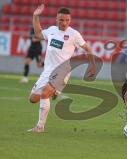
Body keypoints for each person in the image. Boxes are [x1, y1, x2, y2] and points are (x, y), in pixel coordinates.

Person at [28, 4, 96, 132]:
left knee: (44, 94)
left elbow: (88, 49)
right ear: (56, 19)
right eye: (61, 20)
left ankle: (40, 127)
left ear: (70, 20)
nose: (64, 23)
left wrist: (92, 66)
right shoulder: (51, 30)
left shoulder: (74, 34)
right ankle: (55, 91)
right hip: (47, 71)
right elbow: (37, 34)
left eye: (67, 20)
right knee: (33, 99)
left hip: (62, 71)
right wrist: (35, 16)